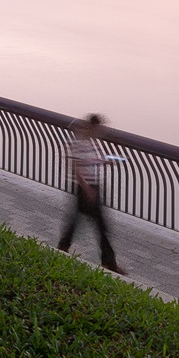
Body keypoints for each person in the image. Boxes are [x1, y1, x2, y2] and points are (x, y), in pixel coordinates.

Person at [58, 112, 124, 273]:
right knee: (101, 226)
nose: (101, 132)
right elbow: (77, 168)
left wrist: (106, 161)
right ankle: (109, 263)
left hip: (90, 188)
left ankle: (63, 247)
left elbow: (88, 161)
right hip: (87, 188)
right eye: (99, 129)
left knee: (76, 221)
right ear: (92, 127)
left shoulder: (89, 142)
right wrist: (88, 190)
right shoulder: (80, 142)